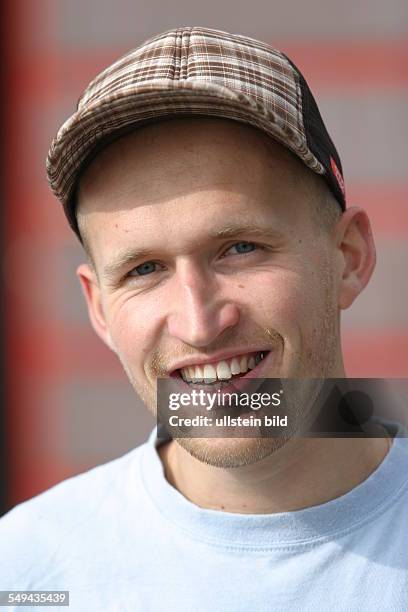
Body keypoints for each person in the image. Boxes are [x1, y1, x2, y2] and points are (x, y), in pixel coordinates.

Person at [1, 26, 407, 611]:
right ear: (99, 308)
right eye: (143, 270)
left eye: (240, 247)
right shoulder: (24, 571)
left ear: (348, 258)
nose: (199, 323)